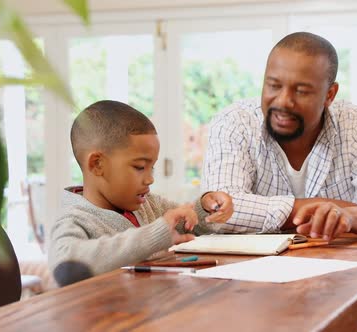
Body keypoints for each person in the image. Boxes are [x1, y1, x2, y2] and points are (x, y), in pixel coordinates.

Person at [202, 32, 357, 241]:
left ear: (329, 95)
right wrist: (315, 207)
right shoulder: (234, 122)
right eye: (274, 85)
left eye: (302, 91)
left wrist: (348, 216)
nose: (284, 101)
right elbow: (220, 212)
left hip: (341, 267)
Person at [49, 100, 233, 286]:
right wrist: (153, 236)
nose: (150, 179)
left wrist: (205, 208)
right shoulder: (75, 220)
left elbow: (185, 223)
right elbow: (66, 267)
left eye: (151, 168)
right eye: (139, 167)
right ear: (97, 164)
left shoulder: (149, 205)